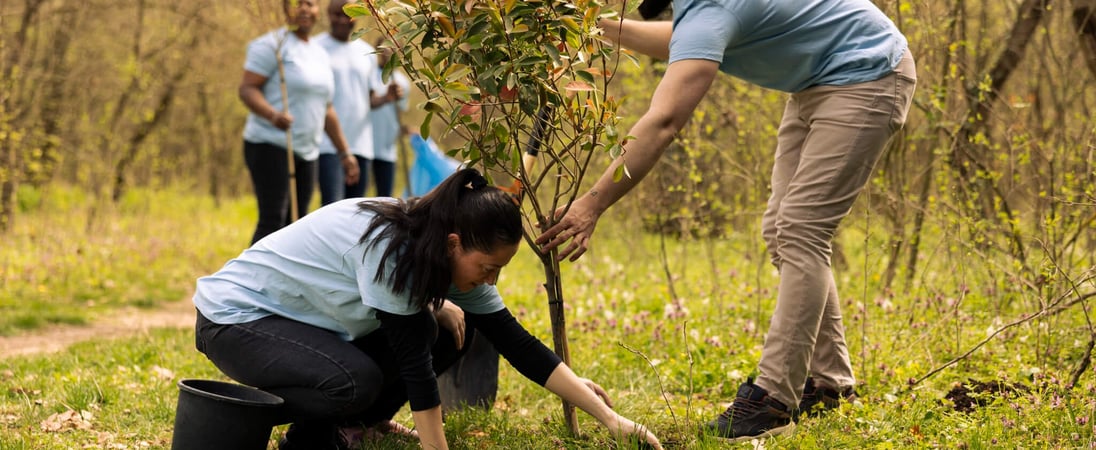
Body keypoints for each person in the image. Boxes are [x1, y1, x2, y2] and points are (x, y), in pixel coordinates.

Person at [536, 0, 917, 442]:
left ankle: (772, 401)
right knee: (783, 229)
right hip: (823, 79)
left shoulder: (712, 7)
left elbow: (663, 121)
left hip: (867, 73)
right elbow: (684, 37)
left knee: (800, 232)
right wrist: (591, 28)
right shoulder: (703, 12)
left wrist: (592, 204)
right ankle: (829, 383)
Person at [192, 168, 663, 450]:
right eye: (487, 267)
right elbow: (415, 369)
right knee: (356, 381)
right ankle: (277, 427)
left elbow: (517, 343)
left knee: (449, 327)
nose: (491, 279)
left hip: (297, 324)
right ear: (455, 243)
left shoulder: (443, 249)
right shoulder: (391, 249)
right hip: (235, 319)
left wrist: (610, 419)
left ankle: (359, 424)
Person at [238, 0, 360, 244]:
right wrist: (272, 114)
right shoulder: (272, 45)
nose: (304, 9)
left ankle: (284, 281)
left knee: (296, 224)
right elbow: (247, 89)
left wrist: (345, 153)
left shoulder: (319, 53)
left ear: (318, 11)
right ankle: (249, 281)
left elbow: (327, 109)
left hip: (307, 150)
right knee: (273, 220)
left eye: (310, 3)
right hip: (270, 144)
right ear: (285, 7)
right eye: (296, 3)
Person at [316, 0, 403, 205]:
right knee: (331, 207)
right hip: (328, 145)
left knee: (355, 210)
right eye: (336, 14)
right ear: (328, 15)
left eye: (347, 15)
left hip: (362, 144)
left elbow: (369, 98)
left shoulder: (366, 53)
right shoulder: (317, 47)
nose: (341, 20)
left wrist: (386, 98)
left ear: (356, 17)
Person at [368, 39, 411, 198]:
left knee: (384, 196)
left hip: (387, 147)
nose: (387, 52)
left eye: (391, 48)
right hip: (366, 144)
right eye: (383, 48)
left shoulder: (402, 83)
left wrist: (402, 130)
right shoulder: (370, 75)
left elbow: (401, 112)